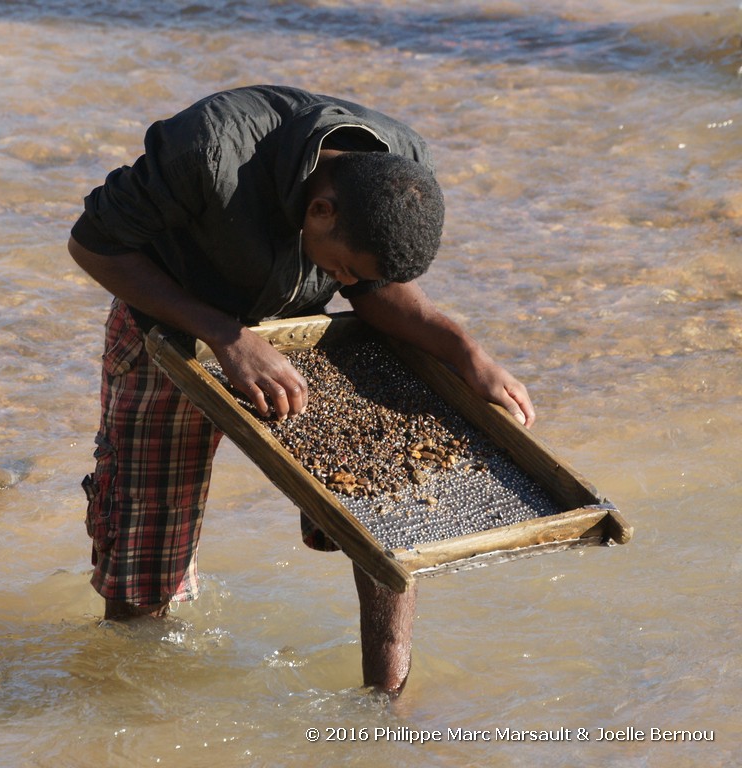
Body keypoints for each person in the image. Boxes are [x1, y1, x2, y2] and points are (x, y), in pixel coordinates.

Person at [68, 85, 535, 695]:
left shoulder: (402, 168)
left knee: (382, 508)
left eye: (349, 274)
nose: (342, 281)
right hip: (173, 325)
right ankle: (132, 706)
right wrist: (224, 335)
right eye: (340, 268)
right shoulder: (209, 149)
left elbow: (374, 291)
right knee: (146, 554)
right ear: (320, 212)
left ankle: (382, 707)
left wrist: (465, 351)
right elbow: (93, 244)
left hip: (300, 338)